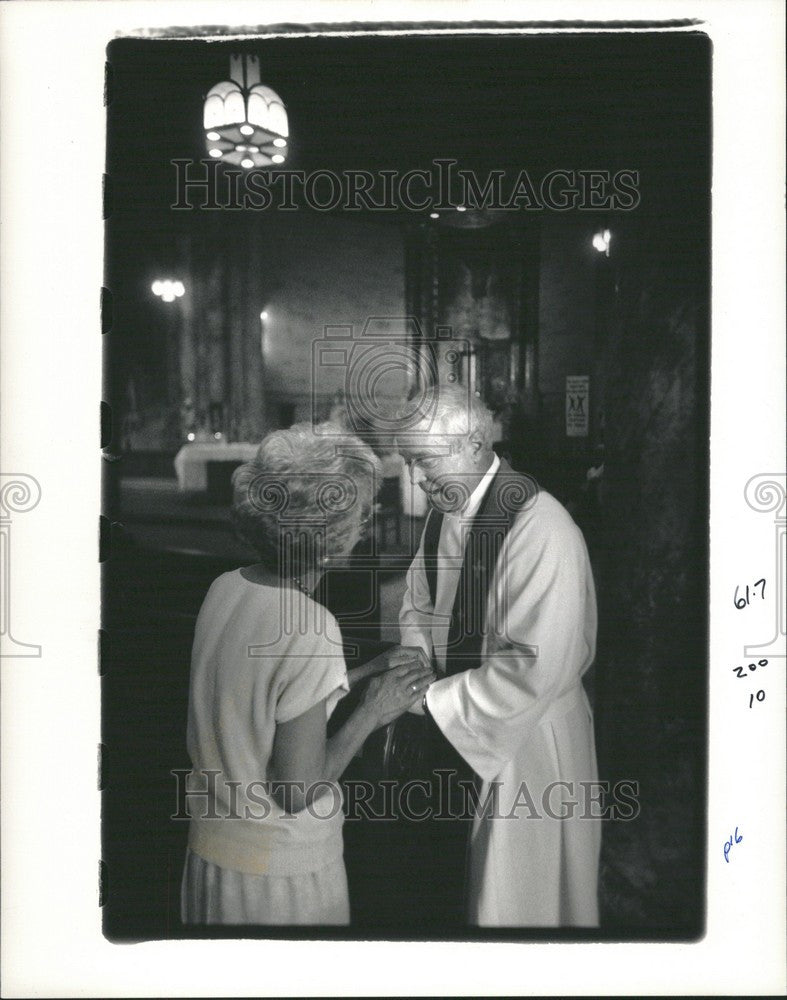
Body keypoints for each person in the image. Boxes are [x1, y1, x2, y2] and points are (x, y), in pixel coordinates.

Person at [180, 422, 434, 925]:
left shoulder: (224, 588)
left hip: (211, 860)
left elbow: (261, 700)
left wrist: (359, 672)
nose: (365, 526)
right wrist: (371, 711)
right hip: (276, 881)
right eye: (361, 515)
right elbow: (295, 792)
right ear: (329, 539)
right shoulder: (312, 628)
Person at [395, 385, 600, 927]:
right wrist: (418, 670)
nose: (416, 475)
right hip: (464, 718)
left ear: (472, 443)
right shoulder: (446, 512)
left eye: (424, 459)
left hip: (529, 740)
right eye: (410, 460)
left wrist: (428, 700)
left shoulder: (540, 525)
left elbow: (536, 665)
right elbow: (418, 602)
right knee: (470, 890)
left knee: (523, 899)